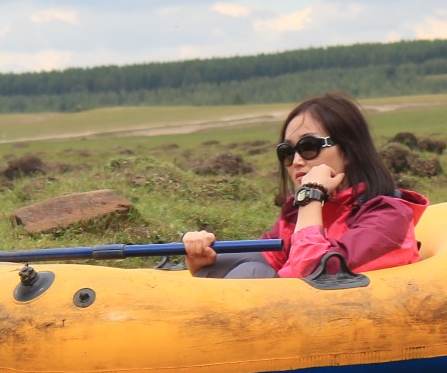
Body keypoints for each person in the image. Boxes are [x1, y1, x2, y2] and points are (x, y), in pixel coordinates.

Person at [183, 93, 428, 279]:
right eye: (287, 152)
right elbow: (269, 258)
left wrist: (310, 196)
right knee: (251, 270)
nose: (297, 161)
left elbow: (314, 272)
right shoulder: (298, 210)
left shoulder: (388, 217)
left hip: (355, 331)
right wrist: (204, 260)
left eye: (309, 147)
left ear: (350, 150)